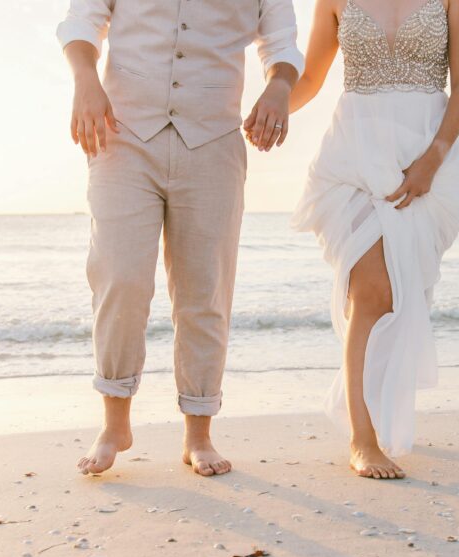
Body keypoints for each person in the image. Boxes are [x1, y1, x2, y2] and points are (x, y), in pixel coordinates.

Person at [57, 1, 303, 476]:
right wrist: (85, 80)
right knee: (119, 276)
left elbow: (282, 43)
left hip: (213, 140)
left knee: (204, 291)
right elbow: (83, 18)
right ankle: (115, 424)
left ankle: (198, 434)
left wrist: (278, 85)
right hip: (121, 133)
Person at [287, 0, 459, 479]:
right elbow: (310, 79)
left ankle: (377, 402)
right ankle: (363, 437)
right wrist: (268, 106)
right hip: (354, 156)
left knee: (397, 297)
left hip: (426, 154)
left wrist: (430, 163)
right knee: (369, 290)